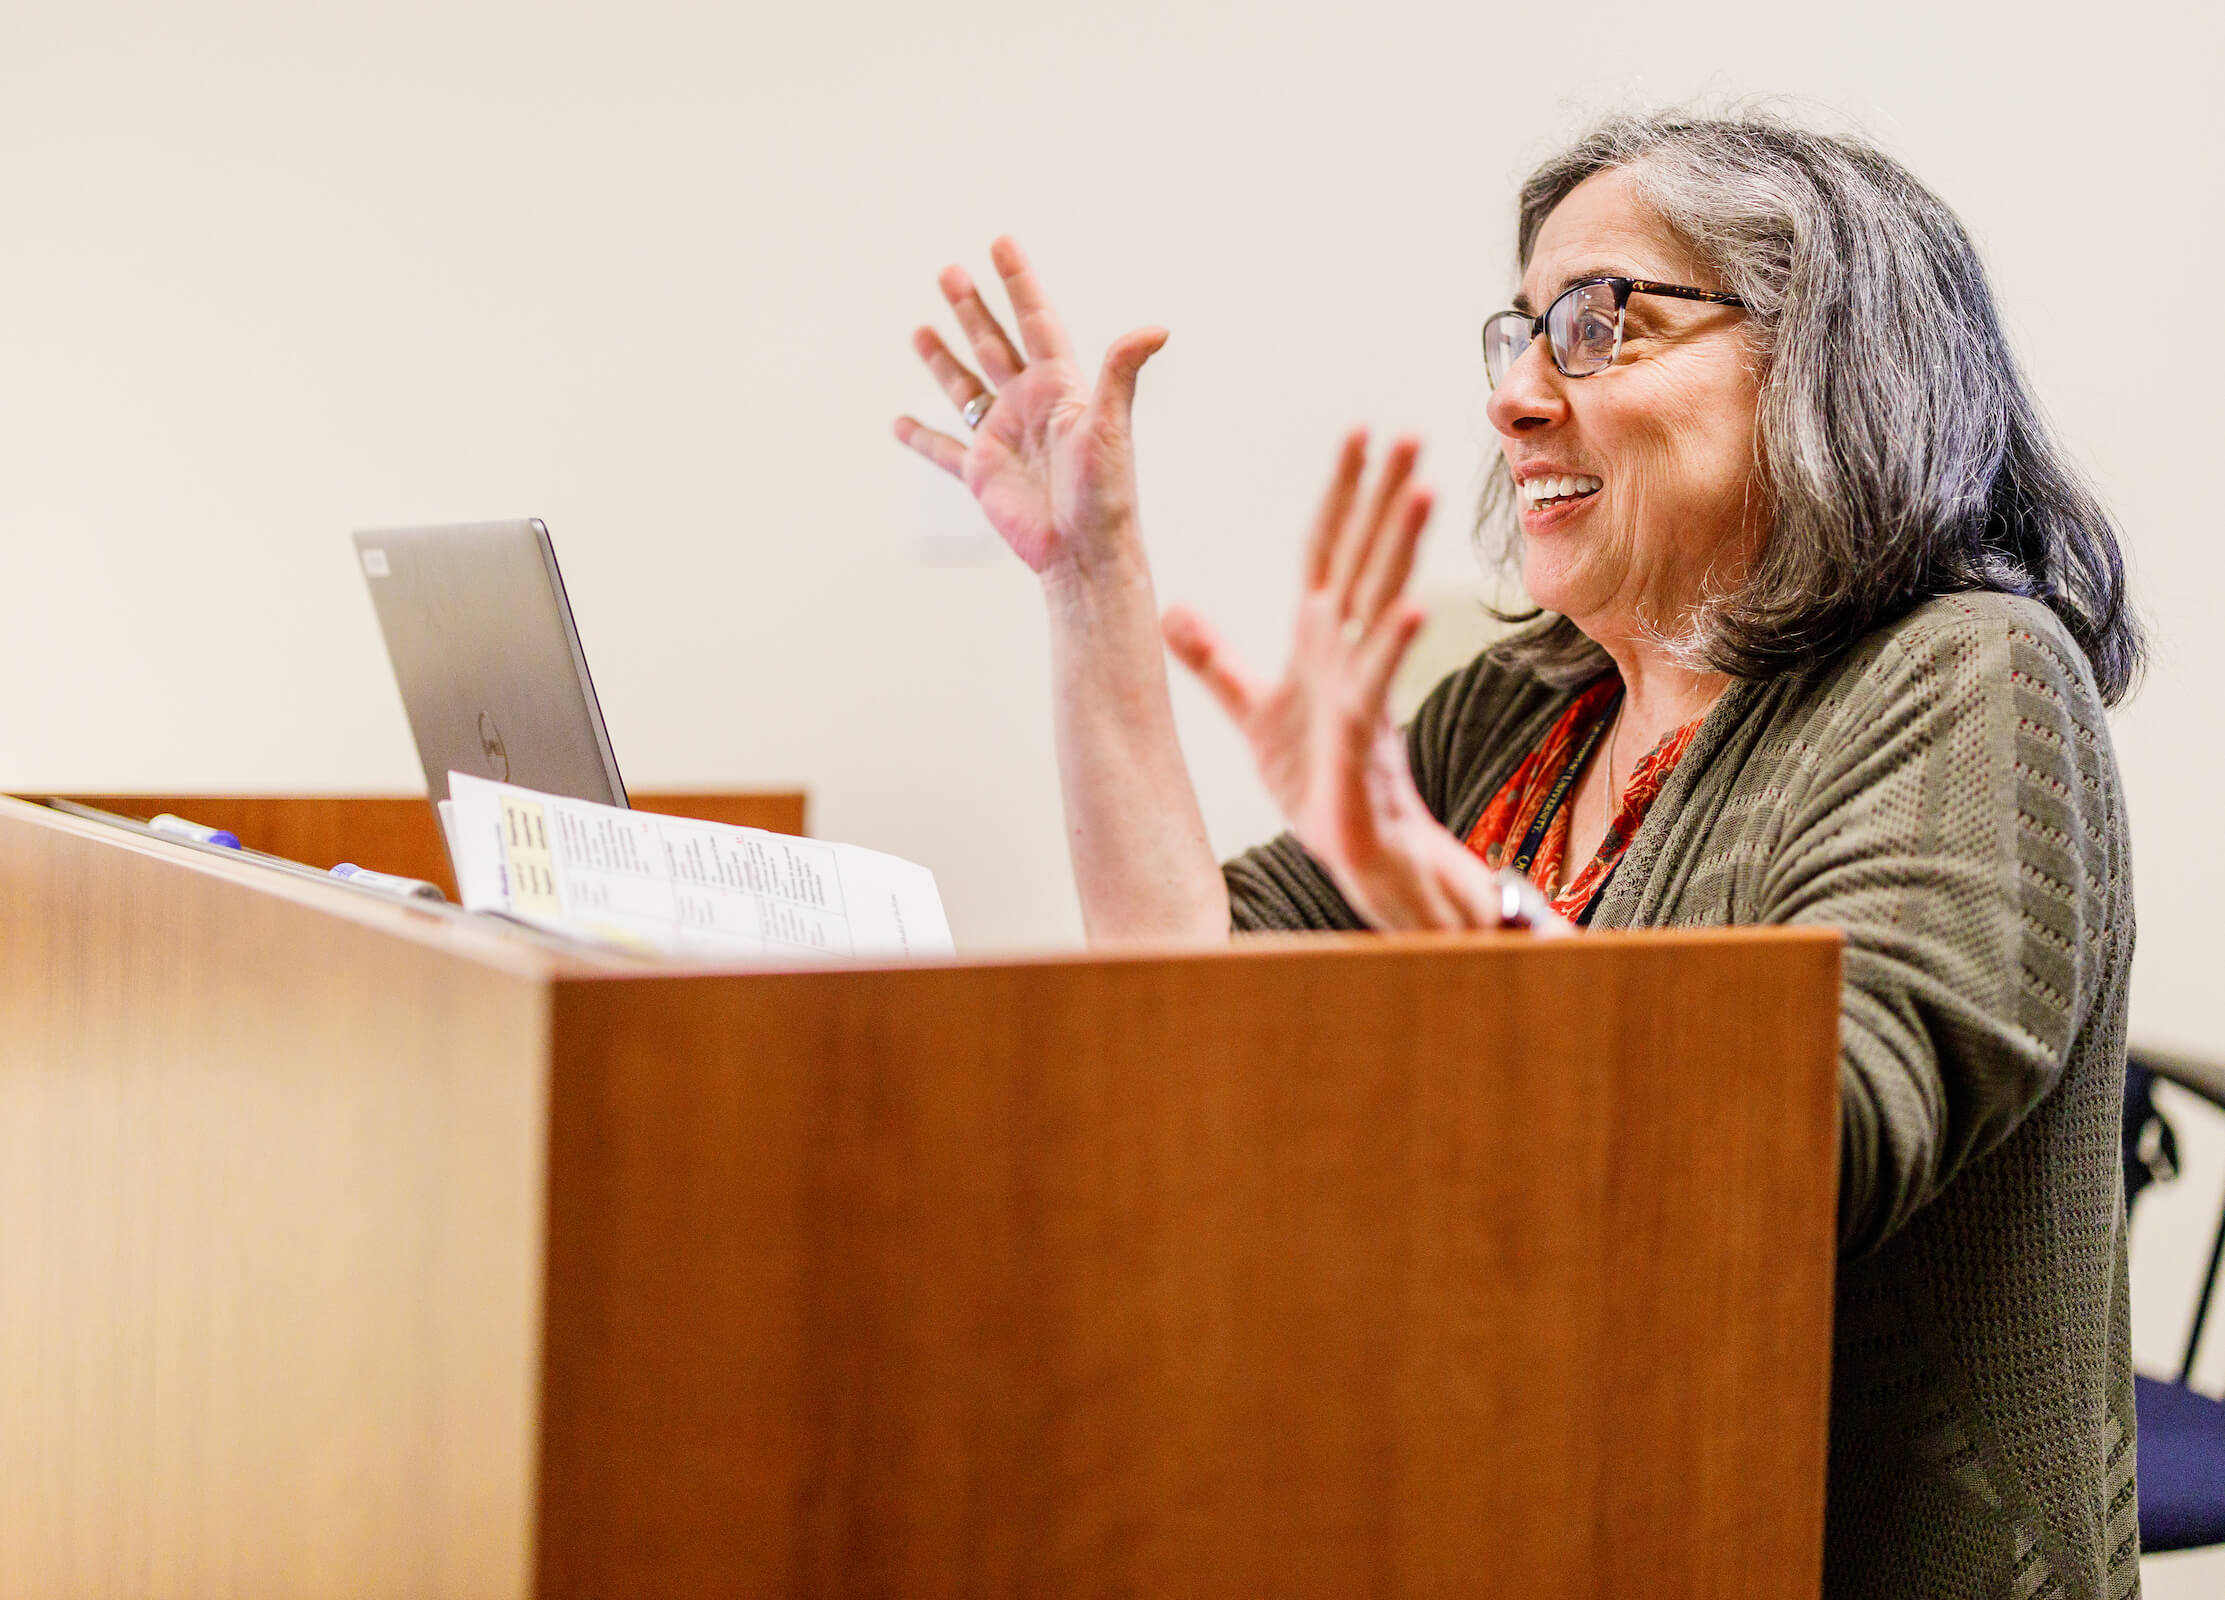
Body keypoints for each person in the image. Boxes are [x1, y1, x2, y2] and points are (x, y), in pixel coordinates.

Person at [895, 112, 2141, 1599]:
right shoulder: (1522, 708)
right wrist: (1088, 575)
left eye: (1595, 324)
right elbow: (1195, 994)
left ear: (1827, 361)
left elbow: (1805, 1147)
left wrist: (1439, 903)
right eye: (1518, 333)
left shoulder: (1969, 683)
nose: (1513, 399)